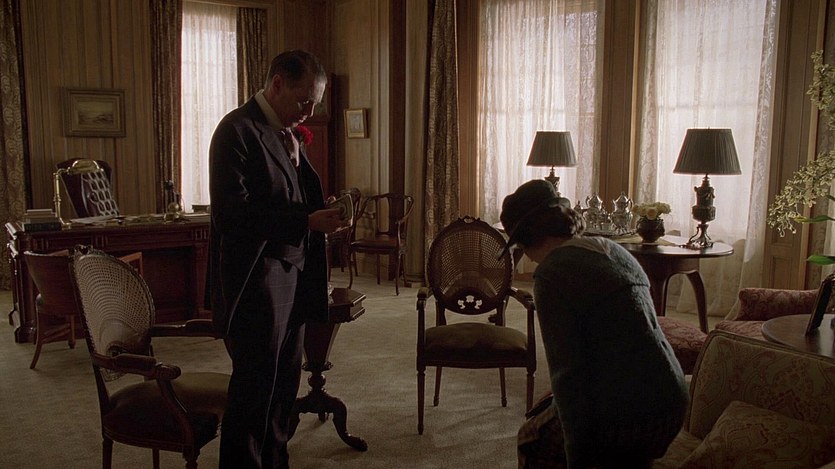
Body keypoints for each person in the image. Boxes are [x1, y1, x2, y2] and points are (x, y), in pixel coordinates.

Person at [207, 49, 348, 468]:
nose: (309, 113)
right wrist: (305, 221)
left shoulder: (287, 132)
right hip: (257, 279)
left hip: (294, 275)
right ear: (277, 84)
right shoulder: (236, 130)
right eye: (304, 100)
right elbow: (232, 216)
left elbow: (290, 195)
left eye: (315, 103)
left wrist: (322, 214)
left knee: (284, 390)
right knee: (254, 393)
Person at [499, 180, 689, 468]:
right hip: (671, 402)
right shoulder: (616, 252)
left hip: (629, 413)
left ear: (527, 240)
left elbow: (568, 378)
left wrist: (578, 457)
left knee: (532, 438)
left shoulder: (552, 274)